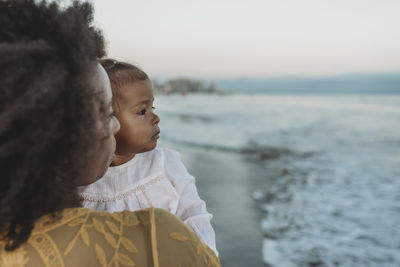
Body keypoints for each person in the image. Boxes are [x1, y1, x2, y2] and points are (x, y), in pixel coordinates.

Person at [0, 1, 221, 266]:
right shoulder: (155, 237)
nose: (114, 126)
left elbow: (195, 213)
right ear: (60, 132)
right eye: (106, 113)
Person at [80, 59, 219, 256]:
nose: (155, 118)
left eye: (153, 108)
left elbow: (193, 213)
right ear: (103, 118)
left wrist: (206, 254)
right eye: (142, 111)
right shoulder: (83, 181)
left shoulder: (164, 164)